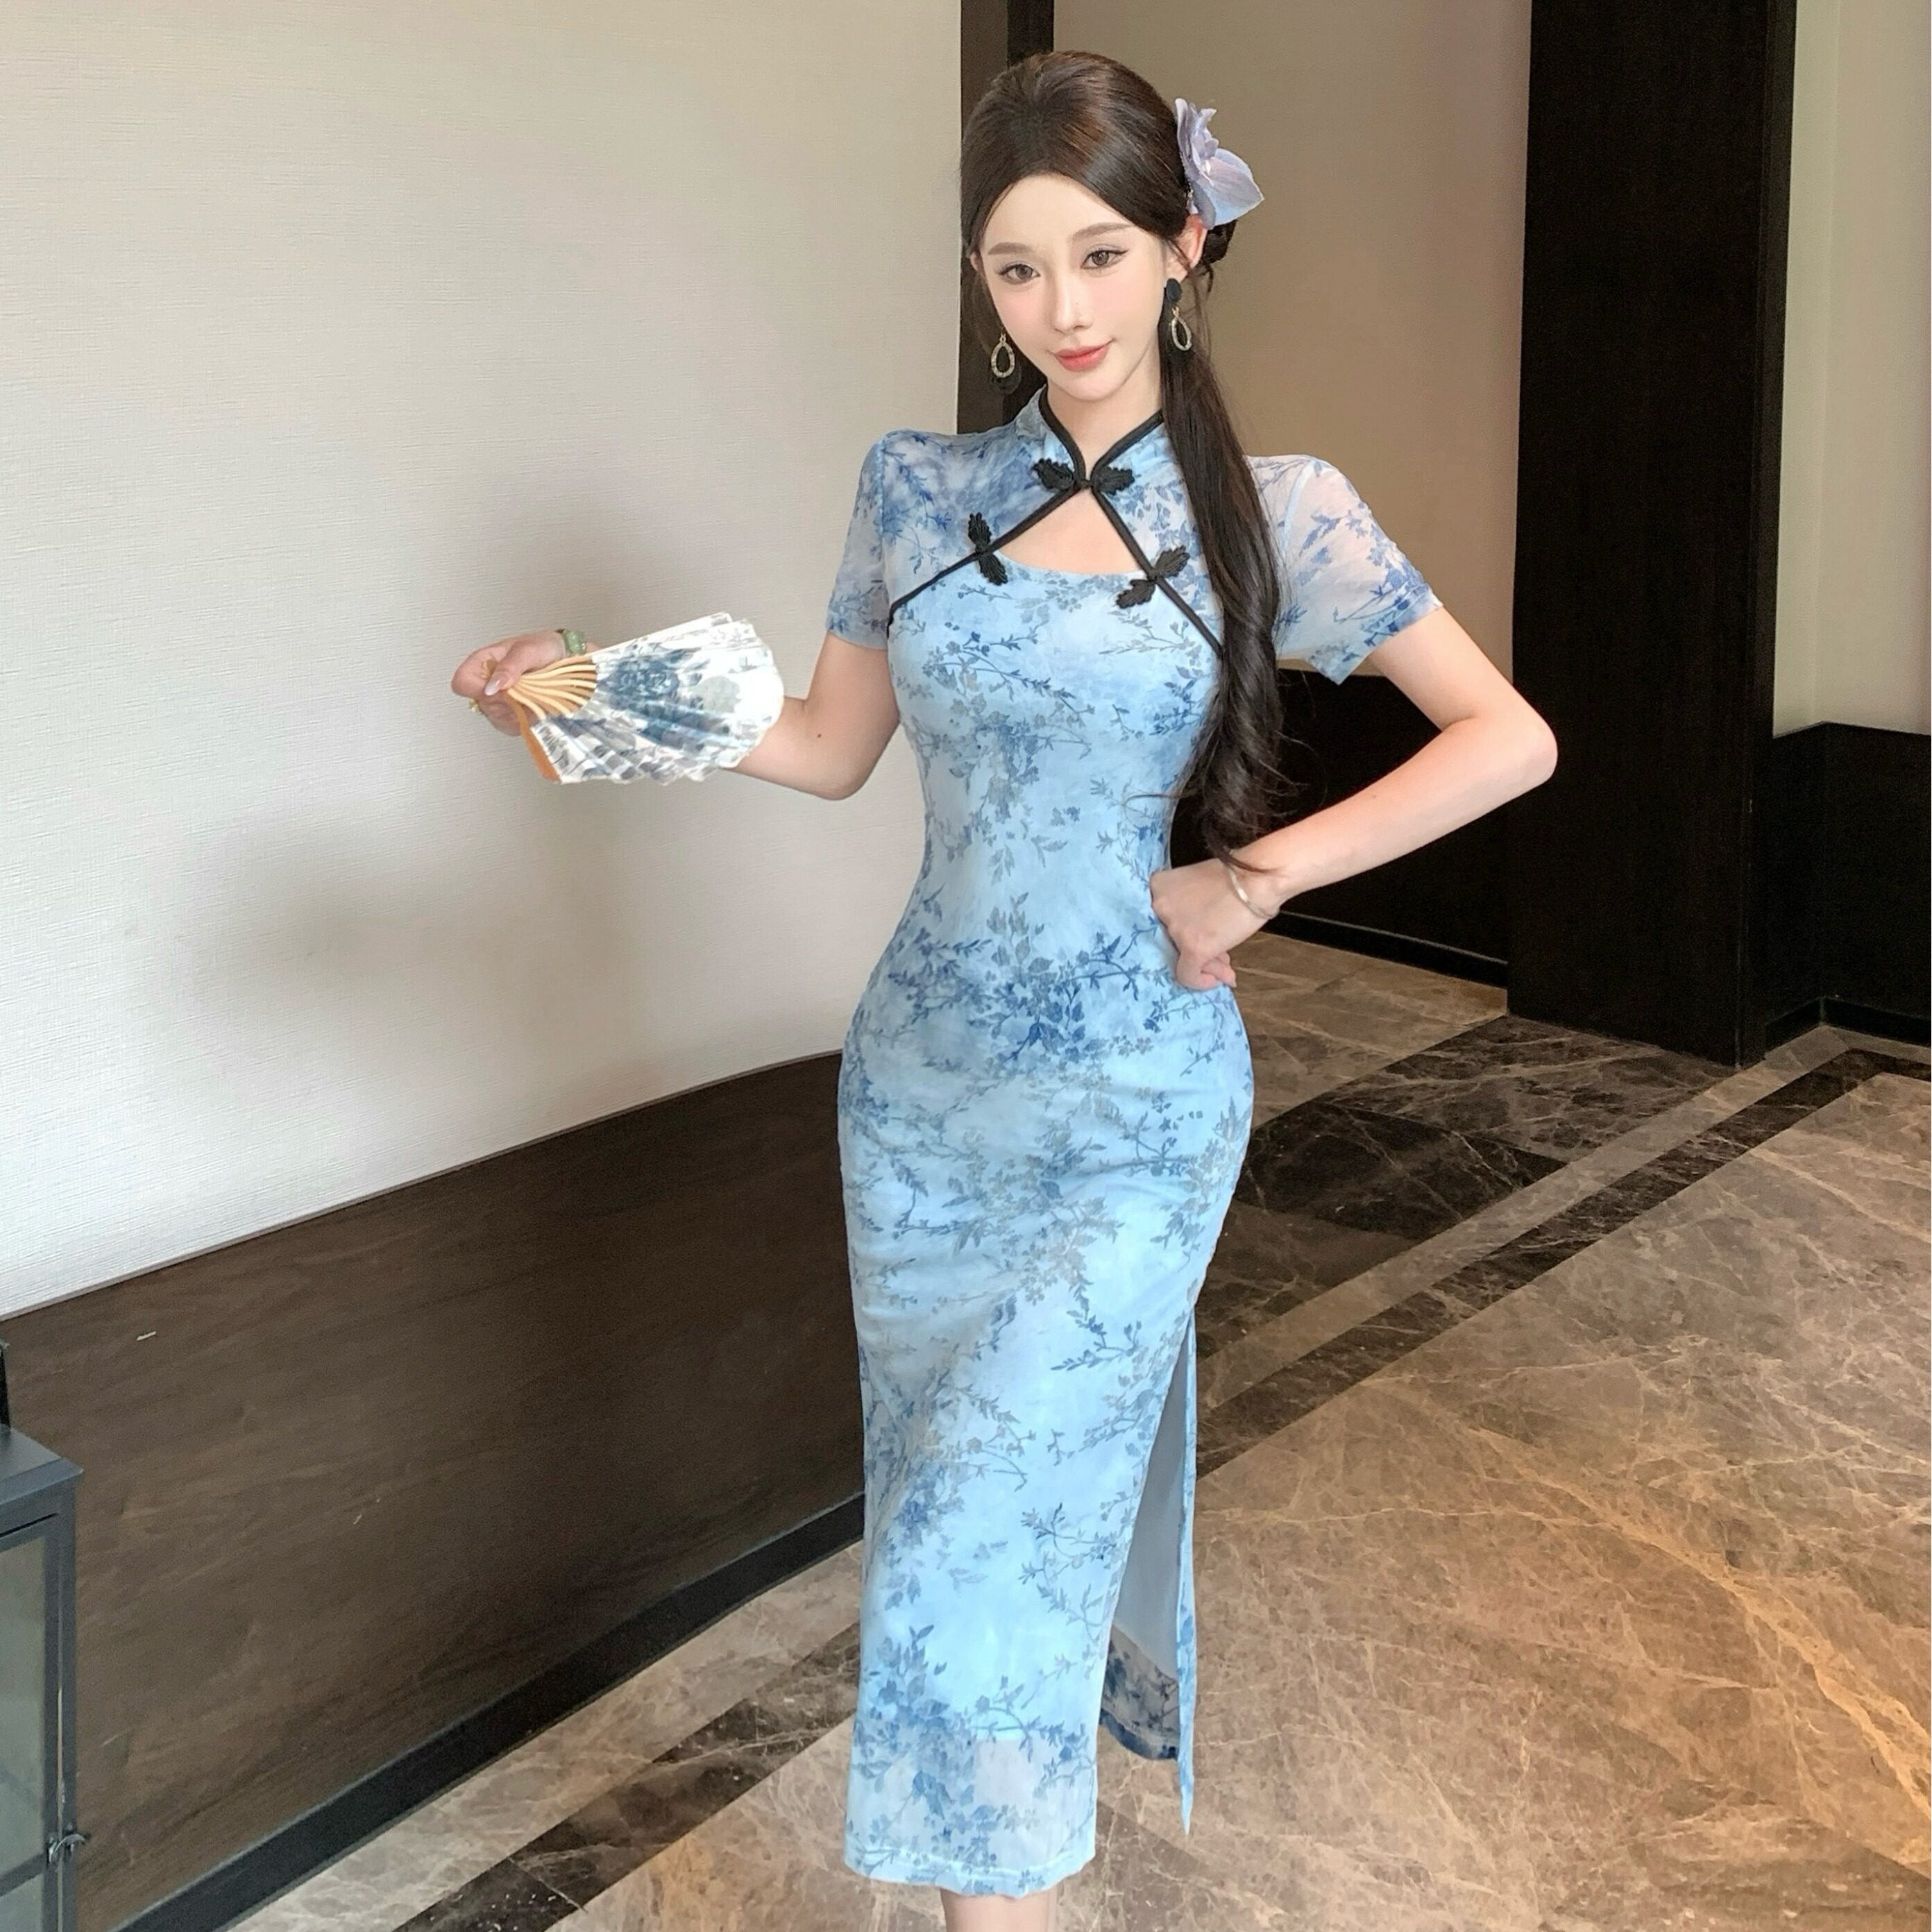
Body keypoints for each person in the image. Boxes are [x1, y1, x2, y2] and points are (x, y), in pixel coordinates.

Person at [452, 48, 1556, 1932]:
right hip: (920, 1098)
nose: (1064, 308)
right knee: (958, 1537)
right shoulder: (916, 489)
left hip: (1136, 1107)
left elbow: (1507, 739)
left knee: (984, 1529)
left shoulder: (1278, 510)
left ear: (1185, 246)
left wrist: (1258, 872)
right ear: (979, 278)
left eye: (1102, 255)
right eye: (1018, 267)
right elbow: (825, 747)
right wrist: (581, 696)